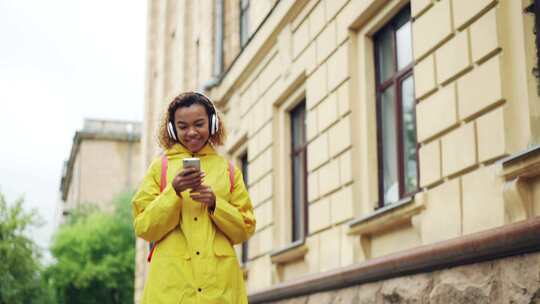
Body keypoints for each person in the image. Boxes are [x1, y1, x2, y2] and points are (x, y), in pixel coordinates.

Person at [132, 91, 256, 304]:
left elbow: (244, 229)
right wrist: (173, 192)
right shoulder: (159, 168)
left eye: (199, 124)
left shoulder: (228, 171)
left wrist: (216, 204)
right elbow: (144, 227)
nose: (191, 132)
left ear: (213, 124)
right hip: (171, 290)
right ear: (172, 128)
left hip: (220, 289)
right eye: (182, 126)